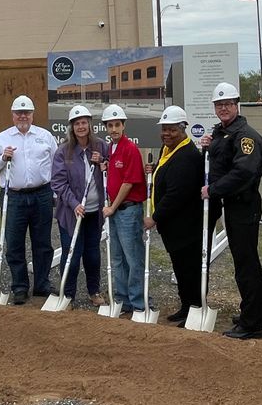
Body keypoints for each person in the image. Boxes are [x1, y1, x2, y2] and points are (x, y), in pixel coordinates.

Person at [201, 82, 262, 340]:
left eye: (228, 104)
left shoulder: (245, 136)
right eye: (219, 105)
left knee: (245, 263)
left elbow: (244, 171)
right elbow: (220, 160)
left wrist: (213, 190)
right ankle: (257, 310)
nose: (223, 108)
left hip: (243, 204)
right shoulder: (224, 132)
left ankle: (251, 323)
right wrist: (208, 144)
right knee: (247, 260)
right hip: (233, 205)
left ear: (236, 104)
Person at [0, 95, 56, 304]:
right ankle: (20, 287)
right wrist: (2, 158)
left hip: (42, 194)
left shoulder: (45, 136)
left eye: (27, 112)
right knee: (14, 244)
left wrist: (55, 194)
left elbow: (56, 165)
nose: (23, 116)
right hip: (14, 196)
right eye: (19, 112)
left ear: (33, 114)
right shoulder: (2, 138)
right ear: (13, 115)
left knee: (42, 243)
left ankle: (42, 284)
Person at [145, 106, 203, 325]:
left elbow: (176, 195)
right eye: (164, 129)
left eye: (171, 130)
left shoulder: (188, 155)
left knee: (189, 269)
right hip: (175, 227)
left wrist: (154, 217)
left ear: (183, 129)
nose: (166, 134)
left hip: (186, 226)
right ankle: (185, 306)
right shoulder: (168, 149)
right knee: (180, 268)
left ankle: (194, 309)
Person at [51, 105, 107, 306]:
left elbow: (109, 169)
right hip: (71, 213)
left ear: (90, 124)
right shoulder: (63, 152)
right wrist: (74, 204)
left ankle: (94, 291)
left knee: (92, 254)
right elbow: (58, 183)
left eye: (84, 122)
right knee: (72, 255)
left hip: (94, 212)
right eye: (77, 123)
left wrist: (103, 162)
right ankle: (68, 294)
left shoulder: (100, 146)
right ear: (71, 127)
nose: (81, 126)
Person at [100, 104, 147, 314]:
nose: (113, 129)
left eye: (117, 125)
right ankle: (123, 298)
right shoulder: (112, 149)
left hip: (127, 210)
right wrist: (106, 166)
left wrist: (112, 207)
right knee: (117, 257)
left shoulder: (130, 149)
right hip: (116, 211)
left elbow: (128, 184)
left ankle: (138, 301)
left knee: (132, 256)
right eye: (110, 126)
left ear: (123, 125)